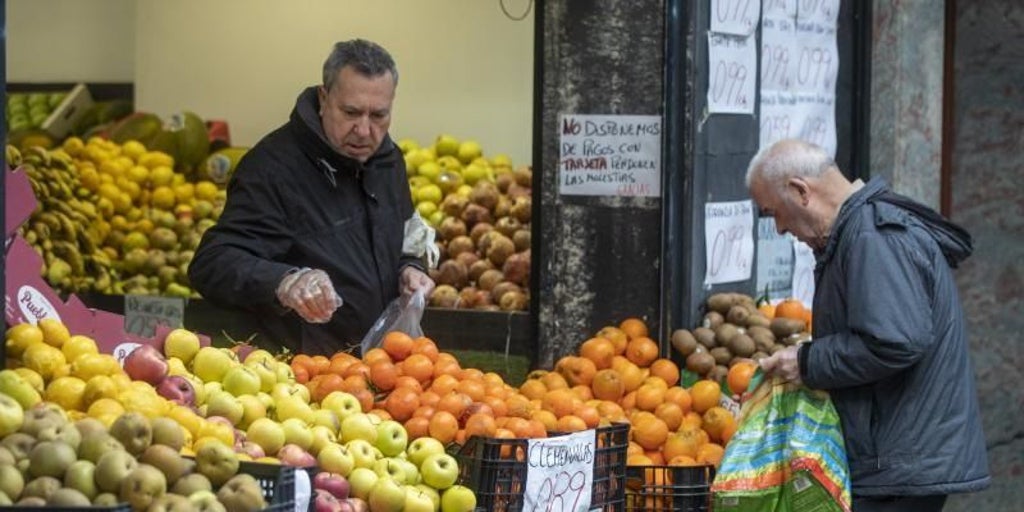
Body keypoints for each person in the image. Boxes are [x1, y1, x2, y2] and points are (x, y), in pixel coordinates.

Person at [747, 139, 989, 511]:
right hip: (896, 460)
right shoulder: (858, 232)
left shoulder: (873, 236)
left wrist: (807, 362)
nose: (779, 228)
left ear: (800, 191)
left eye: (774, 212)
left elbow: (895, 341)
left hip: (896, 466)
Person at [189, 39, 434, 356]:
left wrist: (410, 268)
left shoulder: (387, 160)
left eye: (378, 116)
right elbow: (213, 263)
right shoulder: (272, 169)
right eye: (351, 112)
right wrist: (285, 282)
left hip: (375, 368)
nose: (363, 130)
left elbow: (402, 234)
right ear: (323, 98)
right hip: (300, 375)